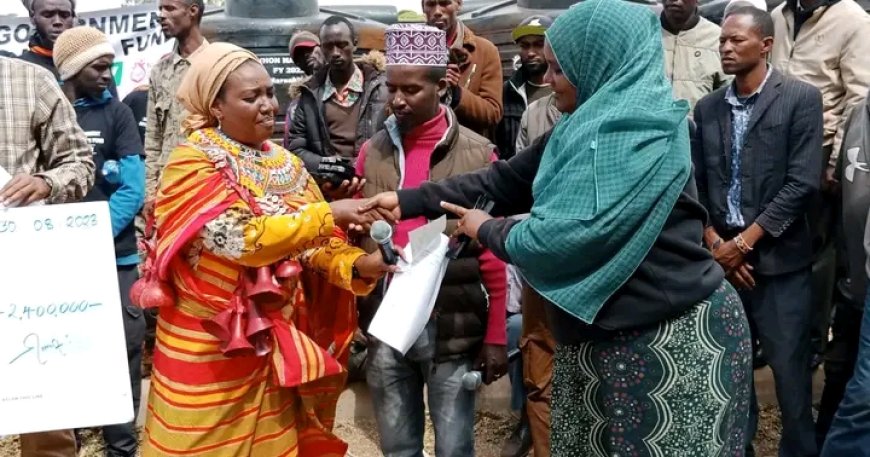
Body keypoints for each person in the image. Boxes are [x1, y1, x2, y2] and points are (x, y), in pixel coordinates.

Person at [360, 1, 753, 455]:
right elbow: (502, 179)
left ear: (598, 65)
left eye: (558, 70)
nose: (546, 80)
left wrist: (487, 228)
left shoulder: (645, 135)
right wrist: (406, 199)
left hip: (670, 339)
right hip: (599, 338)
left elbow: (566, 237)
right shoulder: (577, 130)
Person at [139, 42, 396, 456]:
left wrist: (360, 263)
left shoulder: (286, 162)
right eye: (250, 97)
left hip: (272, 343)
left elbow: (312, 246)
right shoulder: (191, 162)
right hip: (209, 346)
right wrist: (328, 213)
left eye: (268, 93)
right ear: (216, 106)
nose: (267, 105)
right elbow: (238, 241)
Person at [355, 23, 507, 457]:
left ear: (442, 86)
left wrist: (496, 333)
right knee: (398, 448)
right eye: (391, 88)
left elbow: (493, 252)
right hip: (386, 325)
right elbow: (360, 236)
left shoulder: (480, 156)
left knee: (454, 447)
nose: (398, 100)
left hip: (453, 328)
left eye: (411, 90)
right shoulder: (372, 153)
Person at [692, 7, 824, 457]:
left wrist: (744, 244)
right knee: (730, 377)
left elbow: (802, 183)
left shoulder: (800, 98)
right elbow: (698, 186)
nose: (726, 48)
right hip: (723, 267)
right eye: (723, 40)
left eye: (737, 41)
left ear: (765, 44)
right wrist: (716, 245)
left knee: (790, 380)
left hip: (780, 263)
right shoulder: (708, 108)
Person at [52, 26, 146, 457]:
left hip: (116, 257)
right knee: (62, 349)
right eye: (99, 67)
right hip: (60, 260)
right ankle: (64, 440)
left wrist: (91, 235)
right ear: (72, 70)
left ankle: (121, 447)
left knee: (124, 349)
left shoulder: (119, 115)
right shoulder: (51, 113)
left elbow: (133, 187)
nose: (109, 75)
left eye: (111, 66)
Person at [0, 55, 94, 457]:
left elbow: (80, 162)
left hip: (26, 273)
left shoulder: (30, 80)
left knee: (45, 415)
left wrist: (45, 182)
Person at [771, 0, 870, 370]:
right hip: (774, 141)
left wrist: (836, 161)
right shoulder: (779, 15)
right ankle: (775, 335)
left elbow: (858, 97)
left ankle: (810, 340)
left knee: (816, 251)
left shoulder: (853, 21)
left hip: (821, 144)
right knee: (776, 241)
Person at [287, 15, 388, 201]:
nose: (335, 52)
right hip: (332, 194)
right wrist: (330, 167)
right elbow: (295, 148)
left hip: (376, 189)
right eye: (328, 46)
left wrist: (363, 166)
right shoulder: (309, 95)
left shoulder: (382, 88)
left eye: (342, 45)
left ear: (354, 44)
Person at [819, 93, 870, 456]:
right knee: (851, 383)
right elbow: (845, 194)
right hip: (856, 276)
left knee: (864, 393)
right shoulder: (859, 111)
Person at [143, 0, 208, 209]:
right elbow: (153, 139)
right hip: (169, 188)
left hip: (207, 184)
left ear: (192, 11)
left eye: (169, 8)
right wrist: (150, 193)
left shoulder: (218, 64)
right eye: (160, 9)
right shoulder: (160, 71)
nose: (161, 15)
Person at [423, 0, 503, 137]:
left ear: (458, 4)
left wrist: (458, 94)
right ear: (423, 7)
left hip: (466, 150)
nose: (437, 11)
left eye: (444, 3)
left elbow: (493, 114)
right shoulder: (411, 50)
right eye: (430, 4)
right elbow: (391, 109)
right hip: (422, 143)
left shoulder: (485, 51)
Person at [495, 15, 552, 160]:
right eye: (525, 46)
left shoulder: (565, 91)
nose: (531, 53)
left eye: (539, 44)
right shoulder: (507, 92)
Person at [660, 0, 730, 111]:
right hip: (648, 126)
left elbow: (729, 95)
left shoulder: (718, 39)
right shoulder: (645, 33)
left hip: (699, 126)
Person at [283, 30, 324, 149]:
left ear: (322, 48)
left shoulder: (355, 79)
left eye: (309, 49)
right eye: (299, 55)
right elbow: (293, 147)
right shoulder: (298, 105)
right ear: (299, 65)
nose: (306, 55)